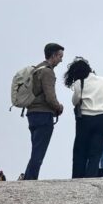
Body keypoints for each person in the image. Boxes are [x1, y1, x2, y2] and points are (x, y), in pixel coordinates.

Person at [64, 58, 103, 178]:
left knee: (80, 150)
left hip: (85, 119)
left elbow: (75, 101)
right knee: (96, 152)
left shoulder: (79, 83)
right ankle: (91, 176)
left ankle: (77, 177)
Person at [24, 43, 65, 180]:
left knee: (36, 149)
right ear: (53, 55)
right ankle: (30, 180)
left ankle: (28, 178)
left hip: (32, 113)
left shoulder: (37, 69)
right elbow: (50, 97)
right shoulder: (47, 71)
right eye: (60, 56)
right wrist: (59, 107)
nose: (61, 60)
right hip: (43, 115)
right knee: (39, 152)